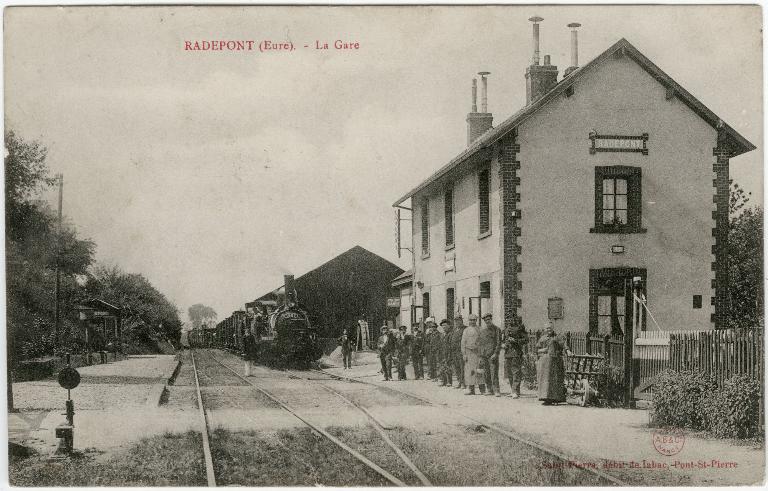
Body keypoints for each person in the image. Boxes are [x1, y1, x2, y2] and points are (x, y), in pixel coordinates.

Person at [536, 322, 570, 405]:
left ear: (553, 328)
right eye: (547, 328)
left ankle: (556, 398)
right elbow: (537, 350)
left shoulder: (557, 337)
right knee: (546, 380)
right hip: (545, 363)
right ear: (545, 329)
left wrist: (568, 350)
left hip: (556, 361)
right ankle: (546, 398)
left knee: (555, 379)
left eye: (550, 328)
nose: (548, 330)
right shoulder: (542, 338)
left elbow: (564, 345)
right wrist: (542, 350)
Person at [502, 319, 529, 398]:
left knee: (516, 372)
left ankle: (515, 391)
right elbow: (503, 340)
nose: (510, 321)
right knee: (509, 373)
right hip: (507, 354)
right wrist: (503, 345)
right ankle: (513, 390)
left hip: (516, 353)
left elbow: (526, 340)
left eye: (512, 319)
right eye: (508, 319)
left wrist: (516, 340)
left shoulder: (520, 329)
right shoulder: (506, 330)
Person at [479, 313, 502, 397]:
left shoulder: (497, 329)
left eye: (488, 319)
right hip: (484, 355)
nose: (487, 321)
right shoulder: (482, 331)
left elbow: (499, 343)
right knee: (486, 373)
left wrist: (496, 353)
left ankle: (496, 390)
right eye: (485, 320)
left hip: (493, 355)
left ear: (491, 319)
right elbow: (480, 344)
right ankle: (489, 389)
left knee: (494, 373)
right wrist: (481, 356)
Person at [461, 314, 482, 395]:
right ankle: (471, 388)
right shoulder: (466, 330)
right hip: (468, 352)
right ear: (468, 321)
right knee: (469, 371)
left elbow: (482, 341)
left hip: (477, 352)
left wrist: (481, 353)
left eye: (474, 320)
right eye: (471, 320)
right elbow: (463, 343)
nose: (472, 321)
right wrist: (464, 354)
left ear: (476, 320)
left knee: (479, 370)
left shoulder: (480, 329)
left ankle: (482, 388)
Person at [450, 314, 466, 389]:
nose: (457, 322)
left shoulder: (465, 329)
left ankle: (463, 382)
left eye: (458, 321)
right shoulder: (454, 330)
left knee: (462, 367)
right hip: (454, 351)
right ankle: (459, 381)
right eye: (456, 321)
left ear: (461, 321)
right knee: (456, 367)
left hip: (461, 351)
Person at [438, 319, 453, 387]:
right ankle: (443, 381)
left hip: (448, 352)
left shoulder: (451, 334)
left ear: (449, 326)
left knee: (448, 367)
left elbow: (451, 344)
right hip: (442, 352)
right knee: (442, 367)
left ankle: (449, 381)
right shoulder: (441, 335)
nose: (444, 327)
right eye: (443, 326)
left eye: (445, 325)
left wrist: (450, 353)